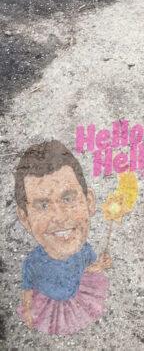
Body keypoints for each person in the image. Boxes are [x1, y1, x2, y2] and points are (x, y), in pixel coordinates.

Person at [15, 139, 111, 335]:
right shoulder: (33, 262)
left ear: (89, 202)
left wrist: (99, 266)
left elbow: (87, 270)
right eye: (43, 205)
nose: (59, 218)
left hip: (75, 296)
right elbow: (27, 290)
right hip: (47, 303)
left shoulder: (84, 250)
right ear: (24, 217)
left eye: (68, 199)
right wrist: (27, 310)